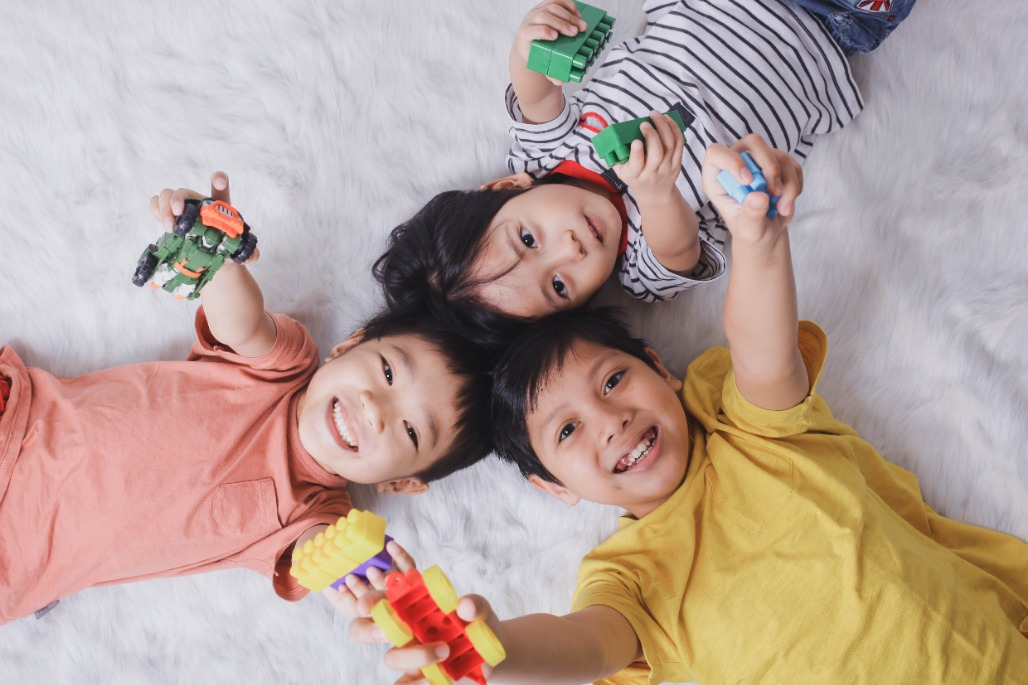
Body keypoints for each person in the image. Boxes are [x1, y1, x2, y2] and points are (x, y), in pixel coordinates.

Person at [349, 137, 1028, 684]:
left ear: (665, 372)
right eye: (567, 430)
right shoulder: (628, 573)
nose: (609, 419)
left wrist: (757, 241)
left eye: (614, 380)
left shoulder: (749, 429)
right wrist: (495, 647)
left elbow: (764, 350)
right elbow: (584, 644)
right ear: (552, 485)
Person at [0, 173, 493, 625]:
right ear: (347, 346)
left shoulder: (315, 513)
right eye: (386, 371)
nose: (375, 409)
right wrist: (215, 248)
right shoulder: (283, 368)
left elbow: (317, 552)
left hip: (16, 562)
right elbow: (240, 320)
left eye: (410, 430)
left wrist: (361, 572)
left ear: (403, 482)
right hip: (18, 423)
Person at [373, 0, 903, 347]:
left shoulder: (547, 159)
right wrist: (654, 193)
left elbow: (536, 94)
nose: (572, 251)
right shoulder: (637, 270)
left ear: (507, 188)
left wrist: (529, 47)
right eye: (558, 285)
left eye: (530, 238)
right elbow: (681, 253)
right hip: (828, 35)